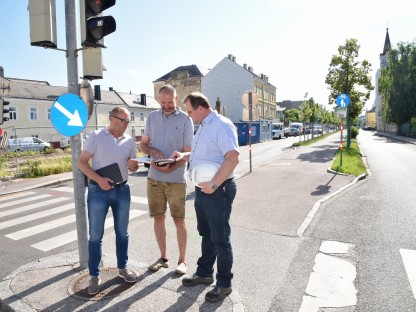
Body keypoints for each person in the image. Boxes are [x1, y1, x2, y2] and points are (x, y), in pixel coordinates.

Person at [171, 92, 239, 303]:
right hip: (204, 190)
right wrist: (184, 156)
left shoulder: (221, 125)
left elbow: (233, 158)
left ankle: (224, 283)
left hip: (219, 189)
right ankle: (204, 273)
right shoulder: (203, 127)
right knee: (206, 233)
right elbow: (202, 154)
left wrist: (214, 184)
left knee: (220, 237)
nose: (188, 115)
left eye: (190, 111)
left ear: (200, 107)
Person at [77, 106, 139, 296]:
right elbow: (81, 163)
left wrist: (134, 166)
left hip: (122, 190)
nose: (126, 124)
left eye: (128, 121)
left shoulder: (129, 140)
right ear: (112, 118)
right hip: (98, 191)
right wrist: (99, 180)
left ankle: (123, 268)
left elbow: (134, 167)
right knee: (95, 235)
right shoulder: (95, 136)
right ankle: (94, 275)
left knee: (123, 232)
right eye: (123, 120)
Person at [139, 85, 194, 275]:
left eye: (170, 102)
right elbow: (143, 145)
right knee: (158, 218)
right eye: (163, 102)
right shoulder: (152, 117)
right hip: (154, 177)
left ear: (176, 98)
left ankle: (182, 261)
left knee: (179, 220)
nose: (167, 106)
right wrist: (152, 151)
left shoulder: (186, 119)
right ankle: (163, 258)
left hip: (177, 179)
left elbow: (188, 152)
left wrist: (173, 166)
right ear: (158, 100)